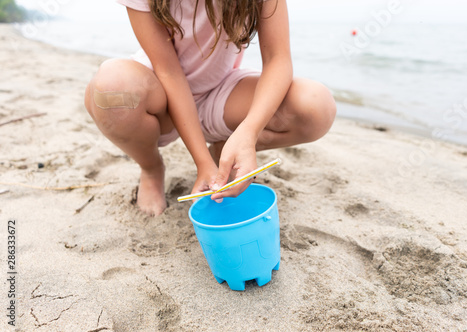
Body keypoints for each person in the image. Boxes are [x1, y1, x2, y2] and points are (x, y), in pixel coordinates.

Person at [84, 0, 336, 216]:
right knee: (111, 87)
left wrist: (248, 133)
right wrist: (201, 163)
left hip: (221, 93)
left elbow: (277, 60)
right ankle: (151, 167)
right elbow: (168, 71)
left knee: (316, 104)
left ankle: (224, 148)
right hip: (160, 93)